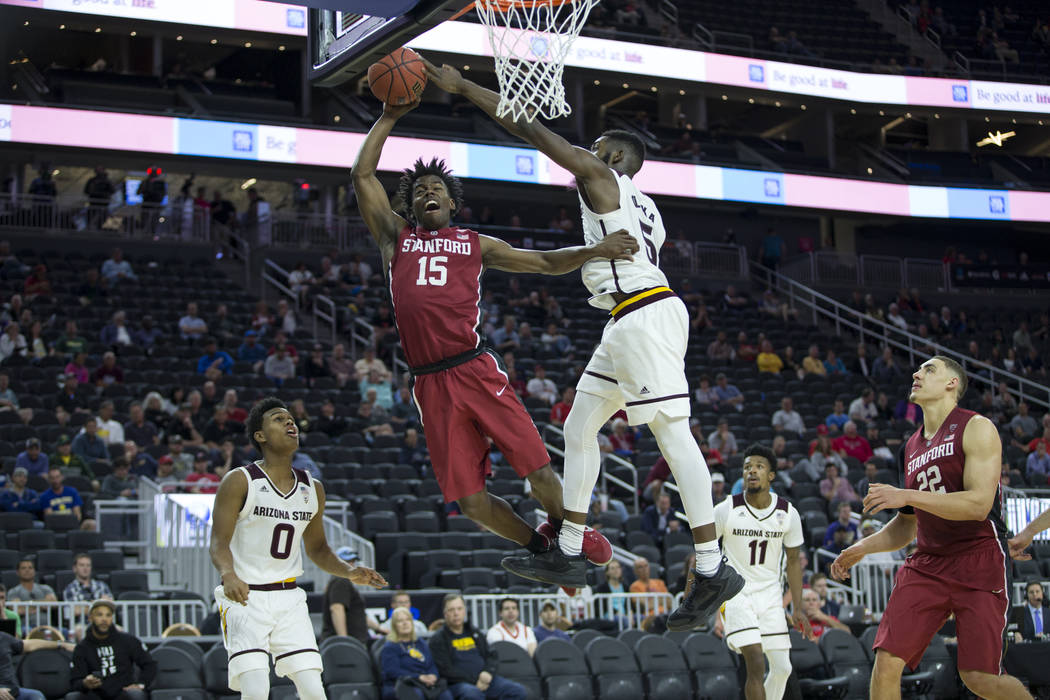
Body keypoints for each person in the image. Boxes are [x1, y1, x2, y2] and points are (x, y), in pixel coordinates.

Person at [426, 60, 741, 629]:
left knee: (672, 434)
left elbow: (534, 133)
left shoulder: (606, 179)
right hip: (624, 320)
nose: (586, 156)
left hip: (645, 316)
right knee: (577, 428)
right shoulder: (647, 207)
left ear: (615, 158)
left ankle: (713, 562)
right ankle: (569, 547)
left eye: (596, 149)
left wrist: (466, 87)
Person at [352, 101, 634, 566]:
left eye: (437, 188)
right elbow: (362, 176)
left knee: (537, 468)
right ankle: (541, 547)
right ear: (410, 205)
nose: (428, 192)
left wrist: (596, 248)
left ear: (451, 203)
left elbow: (543, 263)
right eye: (420, 189)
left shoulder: (476, 243)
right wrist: (389, 114)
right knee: (469, 501)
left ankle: (573, 533)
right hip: (429, 381)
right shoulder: (395, 239)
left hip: (474, 368)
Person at [832, 356, 1031, 700]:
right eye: (918, 369)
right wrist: (860, 548)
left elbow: (978, 505)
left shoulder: (976, 427)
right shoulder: (910, 447)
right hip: (928, 562)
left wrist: (906, 494)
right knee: (887, 660)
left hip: (978, 558)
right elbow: (907, 527)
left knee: (980, 679)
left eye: (929, 369)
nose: (916, 373)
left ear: (952, 383)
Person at [209, 397, 386, 699]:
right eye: (279, 419)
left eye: (291, 418)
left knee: (314, 690)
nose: (290, 422)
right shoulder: (240, 481)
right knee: (256, 690)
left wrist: (350, 572)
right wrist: (228, 573)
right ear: (260, 436)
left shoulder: (312, 488)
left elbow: (318, 548)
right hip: (245, 597)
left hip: (289, 598)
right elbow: (218, 542)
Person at [714, 443, 810, 700]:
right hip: (736, 594)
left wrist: (797, 607)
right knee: (755, 660)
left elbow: (793, 561)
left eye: (758, 466)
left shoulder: (788, 513)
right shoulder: (726, 508)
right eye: (747, 467)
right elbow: (705, 552)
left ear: (771, 475)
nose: (752, 471)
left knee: (783, 668)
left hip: (770, 596)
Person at [429, 593, 526, 700]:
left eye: (459, 608)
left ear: (464, 611)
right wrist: (477, 680)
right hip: (458, 684)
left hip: (485, 680)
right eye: (451, 610)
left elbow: (491, 655)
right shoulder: (438, 639)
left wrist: (488, 672)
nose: (456, 613)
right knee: (473, 694)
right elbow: (445, 671)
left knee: (517, 691)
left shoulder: (474, 632)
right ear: (445, 613)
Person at [67, 599, 155, 700]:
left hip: (123, 692)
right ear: (90, 618)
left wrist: (141, 684)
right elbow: (75, 682)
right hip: (95, 694)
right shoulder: (82, 648)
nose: (104, 619)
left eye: (108, 615)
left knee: (136, 695)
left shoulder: (128, 640)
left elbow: (149, 664)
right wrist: (85, 683)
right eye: (99, 615)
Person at [381, 608, 452, 700]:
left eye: (407, 620)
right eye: (400, 621)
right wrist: (418, 677)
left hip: (424, 682)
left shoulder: (420, 643)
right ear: (394, 626)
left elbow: (431, 664)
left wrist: (433, 675)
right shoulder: (390, 646)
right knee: (417, 694)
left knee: (445, 695)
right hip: (402, 683)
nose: (405, 623)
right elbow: (392, 671)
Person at [0, 620, 73, 700]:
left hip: (13, 692)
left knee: (35, 696)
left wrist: (61, 644)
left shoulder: (3, 638)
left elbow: (30, 644)